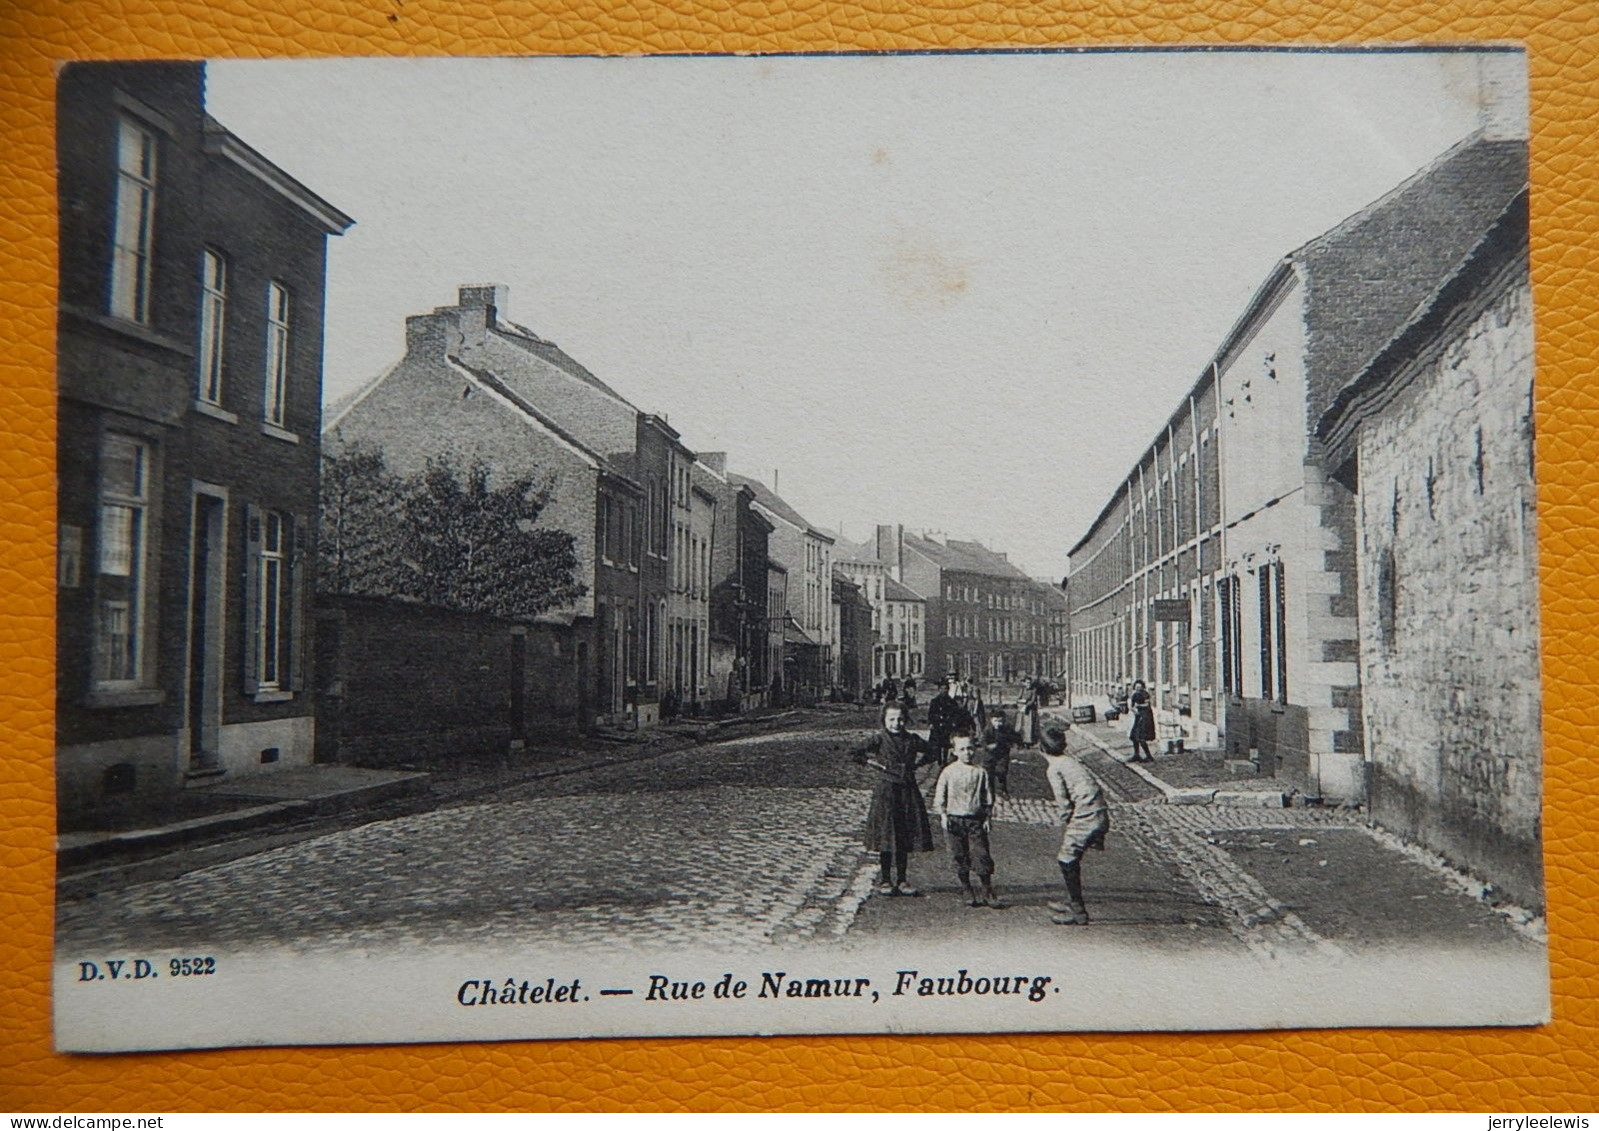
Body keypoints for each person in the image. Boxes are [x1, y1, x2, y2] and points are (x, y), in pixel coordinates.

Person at [850, 701, 938, 896]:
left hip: (907, 791)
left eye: (900, 719)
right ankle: (885, 879)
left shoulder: (912, 740)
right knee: (887, 835)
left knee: (904, 835)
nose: (896, 723)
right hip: (886, 792)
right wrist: (872, 764)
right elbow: (855, 752)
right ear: (884, 720)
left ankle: (902, 879)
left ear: (905, 720)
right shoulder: (879, 739)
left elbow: (933, 751)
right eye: (891, 719)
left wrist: (917, 764)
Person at [1039, 724, 1110, 925]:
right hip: (1100, 813)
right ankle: (1072, 898)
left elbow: (1063, 802)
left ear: (1041, 748)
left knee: (1066, 859)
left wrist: (1066, 818)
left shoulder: (1054, 769)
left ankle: (1078, 910)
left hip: (1086, 817)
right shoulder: (1070, 761)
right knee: (1072, 856)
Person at [933, 729, 999, 907]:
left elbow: (988, 797)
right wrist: (943, 815)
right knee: (958, 854)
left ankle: (987, 889)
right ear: (954, 751)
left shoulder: (980, 772)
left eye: (970, 748)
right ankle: (966, 888)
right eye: (962, 749)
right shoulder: (948, 772)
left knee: (981, 854)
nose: (967, 753)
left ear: (975, 749)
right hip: (955, 819)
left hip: (975, 819)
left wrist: (987, 818)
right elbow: (940, 796)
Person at [927, 673, 975, 765]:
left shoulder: (951, 702)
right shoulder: (935, 701)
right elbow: (931, 713)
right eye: (942, 689)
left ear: (948, 690)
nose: (944, 691)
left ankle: (944, 760)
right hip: (937, 725)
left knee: (945, 744)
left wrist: (954, 723)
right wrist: (931, 723)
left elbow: (955, 713)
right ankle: (939, 760)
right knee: (937, 744)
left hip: (946, 725)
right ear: (939, 690)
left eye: (945, 689)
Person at [981, 708, 1016, 799]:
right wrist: (988, 746)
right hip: (990, 755)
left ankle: (1002, 789)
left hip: (1002, 754)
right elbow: (983, 742)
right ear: (991, 720)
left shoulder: (1006, 729)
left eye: (1000, 721)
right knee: (989, 773)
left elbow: (1013, 737)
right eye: (995, 721)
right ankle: (989, 791)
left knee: (1002, 771)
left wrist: (1009, 744)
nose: (998, 723)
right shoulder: (988, 730)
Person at [1128, 678, 1156, 763]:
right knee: (1134, 736)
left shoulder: (1145, 694)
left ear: (1142, 687)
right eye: (1136, 687)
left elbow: (1147, 705)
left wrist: (1139, 706)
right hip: (1138, 716)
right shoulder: (1134, 695)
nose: (1138, 688)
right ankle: (1136, 755)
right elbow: (1132, 706)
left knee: (1141, 737)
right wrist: (1134, 710)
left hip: (1146, 717)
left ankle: (1149, 756)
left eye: (1139, 687)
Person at [1014, 677, 1040, 748]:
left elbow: (1032, 700)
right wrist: (1021, 702)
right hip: (1021, 709)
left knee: (1028, 726)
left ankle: (1028, 741)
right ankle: (1020, 741)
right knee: (1019, 725)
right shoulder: (1022, 690)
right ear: (1025, 683)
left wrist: (1026, 705)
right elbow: (1018, 699)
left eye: (1030, 683)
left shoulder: (1033, 690)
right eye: (1027, 683)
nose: (1028, 684)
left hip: (1029, 710)